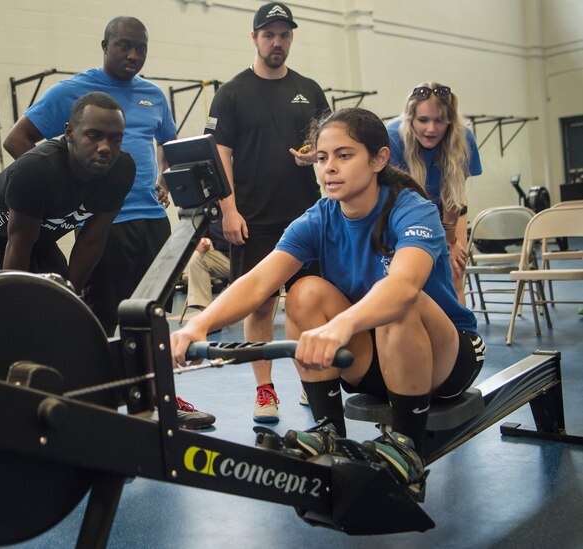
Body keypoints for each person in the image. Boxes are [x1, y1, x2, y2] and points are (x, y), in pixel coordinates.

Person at [172, 108, 486, 496]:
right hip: (376, 357)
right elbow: (257, 282)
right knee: (304, 292)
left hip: (446, 358)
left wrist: (341, 326)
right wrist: (196, 325)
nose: (329, 168)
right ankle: (329, 430)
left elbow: (404, 286)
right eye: (322, 158)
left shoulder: (410, 208)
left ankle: (409, 450)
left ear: (378, 159)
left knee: (396, 301)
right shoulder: (320, 217)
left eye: (344, 155)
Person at [3, 16, 214, 430]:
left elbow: (167, 143)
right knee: (101, 318)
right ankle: (93, 401)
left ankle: (161, 396)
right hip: (105, 223)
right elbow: (17, 140)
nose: (133, 55)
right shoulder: (72, 92)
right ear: (105, 45)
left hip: (153, 220)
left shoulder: (153, 94)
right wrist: (64, 190)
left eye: (140, 48)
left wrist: (162, 177)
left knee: (153, 316)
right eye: (123, 46)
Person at [204, 2, 330, 423]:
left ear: (291, 38)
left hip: (306, 216)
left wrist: (314, 155)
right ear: (255, 38)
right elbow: (219, 154)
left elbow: (328, 144)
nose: (277, 42)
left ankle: (312, 384)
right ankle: (264, 390)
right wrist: (229, 210)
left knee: (307, 302)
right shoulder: (232, 92)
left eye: (285, 34)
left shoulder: (309, 90)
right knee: (260, 306)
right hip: (252, 218)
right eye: (269, 34)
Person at [0, 92, 134, 295]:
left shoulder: (121, 171)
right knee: (1, 316)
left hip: (39, 240)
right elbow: (19, 243)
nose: (105, 148)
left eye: (115, 139)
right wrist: (15, 304)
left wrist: (72, 297)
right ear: (69, 133)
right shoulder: (37, 169)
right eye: (94, 136)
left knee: (60, 304)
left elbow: (91, 241)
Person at [386, 83, 483, 305]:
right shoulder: (392, 137)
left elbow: (455, 193)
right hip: (404, 210)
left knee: (454, 273)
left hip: (447, 208)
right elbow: (393, 198)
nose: (431, 129)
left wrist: (450, 241)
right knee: (413, 276)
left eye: (439, 121)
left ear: (449, 121)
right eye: (423, 120)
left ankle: (462, 336)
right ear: (411, 118)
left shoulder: (463, 137)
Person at [182, 216, 230, 317]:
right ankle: (208, 316)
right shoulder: (212, 211)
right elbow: (204, 236)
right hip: (224, 260)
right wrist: (201, 243)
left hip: (249, 260)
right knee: (196, 257)